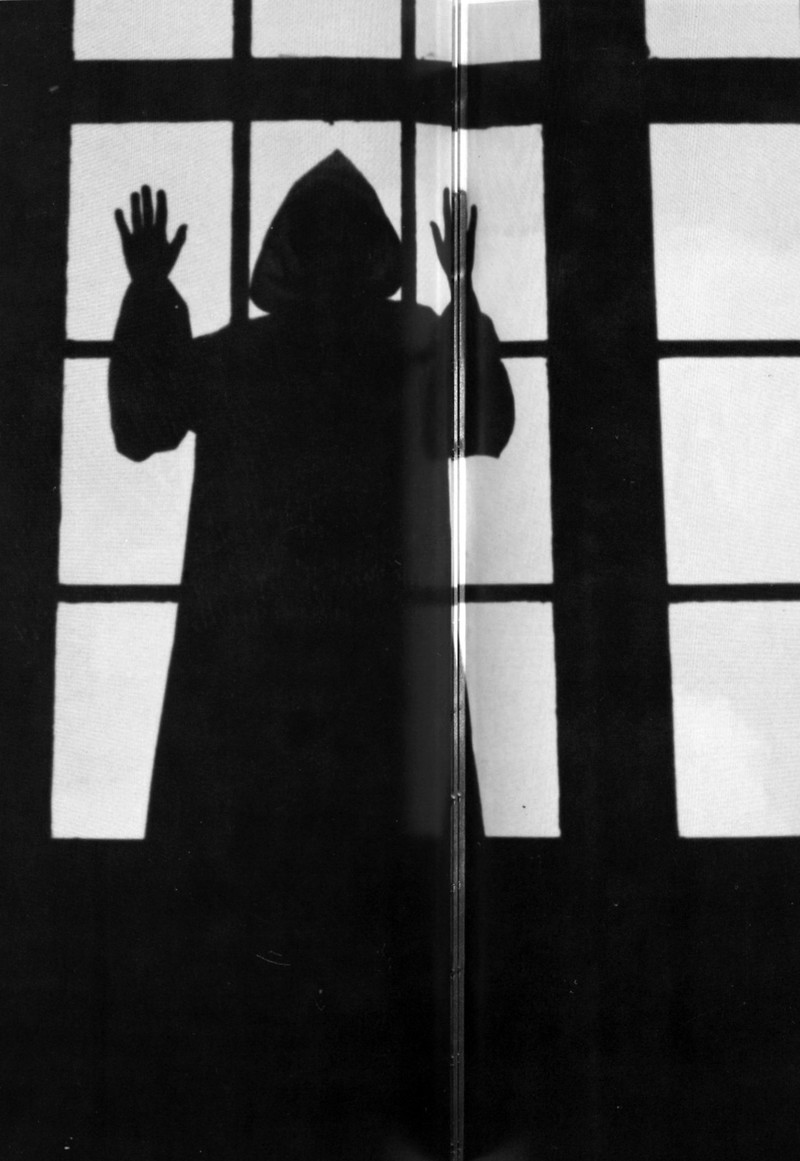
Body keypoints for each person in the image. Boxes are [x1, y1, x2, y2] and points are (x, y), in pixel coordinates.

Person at [108, 150, 514, 1160]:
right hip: (367, 673)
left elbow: (142, 423)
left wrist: (151, 294)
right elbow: (487, 420)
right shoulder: (408, 345)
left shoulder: (248, 356)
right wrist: (461, 296)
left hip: (259, 678)